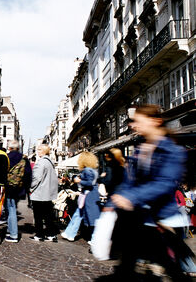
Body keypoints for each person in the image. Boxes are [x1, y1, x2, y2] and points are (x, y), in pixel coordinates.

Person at [107, 105, 191, 281]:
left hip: (163, 219)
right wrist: (112, 202)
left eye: (138, 121)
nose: (133, 125)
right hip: (140, 217)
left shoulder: (172, 150)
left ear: (155, 121)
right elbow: (129, 182)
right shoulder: (139, 149)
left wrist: (131, 197)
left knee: (172, 270)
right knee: (128, 265)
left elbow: (165, 183)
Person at [61, 151, 100, 242]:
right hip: (90, 196)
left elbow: (89, 183)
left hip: (88, 196)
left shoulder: (87, 170)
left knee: (89, 218)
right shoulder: (93, 170)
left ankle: (93, 239)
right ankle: (70, 233)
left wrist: (79, 181)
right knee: (79, 215)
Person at [29, 144, 59, 242]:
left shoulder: (41, 163)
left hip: (39, 193)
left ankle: (39, 234)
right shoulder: (50, 163)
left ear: (43, 151)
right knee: (48, 215)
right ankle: (51, 234)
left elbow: (36, 178)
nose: (37, 151)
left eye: (39, 150)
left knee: (38, 216)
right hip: (48, 193)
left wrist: (30, 187)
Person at [5, 140, 32, 243]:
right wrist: (25, 188)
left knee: (10, 209)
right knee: (12, 208)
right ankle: (9, 229)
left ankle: (13, 234)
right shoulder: (24, 158)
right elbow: (28, 174)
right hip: (19, 188)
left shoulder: (6, 157)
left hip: (8, 187)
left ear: (9, 148)